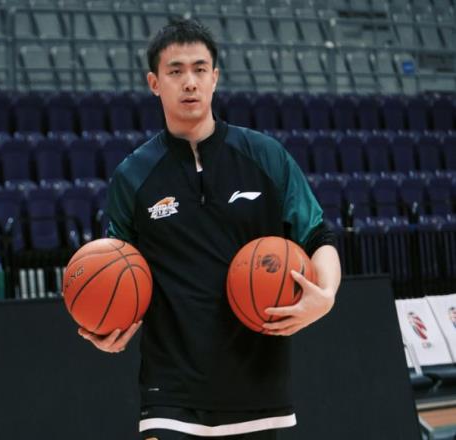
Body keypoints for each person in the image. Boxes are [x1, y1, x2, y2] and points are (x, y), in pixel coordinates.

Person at [79, 19, 341, 440]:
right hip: (169, 393)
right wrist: (106, 324)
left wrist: (325, 295)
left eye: (200, 69)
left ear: (214, 78)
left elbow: (317, 237)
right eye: (175, 70)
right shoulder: (133, 176)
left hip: (257, 387)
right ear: (154, 82)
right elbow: (119, 269)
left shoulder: (265, 156)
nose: (190, 82)